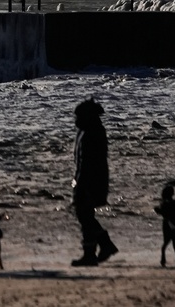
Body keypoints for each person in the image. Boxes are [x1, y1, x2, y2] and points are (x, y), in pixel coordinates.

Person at [71, 98, 119, 266]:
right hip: (90, 180)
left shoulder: (92, 132)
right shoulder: (90, 131)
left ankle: (92, 253)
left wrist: (81, 185)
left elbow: (88, 162)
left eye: (78, 117)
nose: (76, 121)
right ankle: (104, 246)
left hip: (90, 181)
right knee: (86, 216)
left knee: (85, 216)